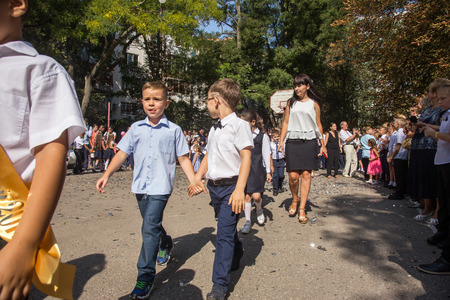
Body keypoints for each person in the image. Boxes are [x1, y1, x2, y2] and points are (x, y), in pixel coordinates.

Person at [0, 0, 86, 298]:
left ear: (16, 5)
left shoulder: (39, 70)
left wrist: (24, 244)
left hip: (6, 226)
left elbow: (52, 153)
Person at [95, 81, 203, 299]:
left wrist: (194, 180)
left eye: (156, 99)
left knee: (148, 228)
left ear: (166, 103)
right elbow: (122, 153)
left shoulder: (174, 130)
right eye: (147, 99)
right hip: (140, 186)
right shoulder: (136, 128)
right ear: (142, 101)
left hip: (161, 187)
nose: (151, 103)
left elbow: (183, 158)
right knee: (151, 226)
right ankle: (165, 242)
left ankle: (145, 277)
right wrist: (106, 174)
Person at [190, 78, 253, 300]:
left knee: (223, 234)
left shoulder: (240, 126)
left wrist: (239, 190)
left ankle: (219, 285)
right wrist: (197, 177)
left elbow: (246, 158)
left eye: (207, 100)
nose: (206, 105)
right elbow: (209, 154)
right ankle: (237, 252)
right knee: (226, 227)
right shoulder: (214, 128)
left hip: (231, 188)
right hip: (214, 188)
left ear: (216, 100)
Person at [278, 74, 326, 224]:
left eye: (300, 85)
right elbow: (285, 123)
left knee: (306, 174)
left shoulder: (314, 104)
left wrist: (323, 143)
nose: (297, 88)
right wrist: (281, 140)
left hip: (309, 141)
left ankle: (302, 208)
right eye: (295, 85)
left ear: (307, 86)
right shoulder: (290, 103)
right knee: (293, 176)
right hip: (292, 141)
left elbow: (318, 124)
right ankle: (294, 199)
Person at [418, 78, 450, 275]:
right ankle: (444, 236)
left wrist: (434, 134)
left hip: (447, 161)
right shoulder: (446, 114)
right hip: (442, 160)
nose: (440, 101)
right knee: (445, 204)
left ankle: (447, 258)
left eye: (444, 97)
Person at [239, 109, 272, 234]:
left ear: (252, 122)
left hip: (257, 169)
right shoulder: (240, 136)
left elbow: (265, 153)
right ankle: (247, 221)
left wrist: (268, 171)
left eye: (244, 123)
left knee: (256, 196)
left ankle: (259, 210)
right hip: (244, 170)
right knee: (247, 196)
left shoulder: (262, 136)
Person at [387, 118, 409, 200]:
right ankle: (400, 191)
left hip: (399, 156)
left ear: (399, 124)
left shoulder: (400, 133)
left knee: (400, 176)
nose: (394, 124)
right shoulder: (400, 133)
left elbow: (398, 146)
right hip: (400, 156)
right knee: (400, 175)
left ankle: (399, 193)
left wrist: (392, 156)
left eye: (395, 123)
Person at [270, 128, 285, 196]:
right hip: (274, 161)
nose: (276, 138)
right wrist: (271, 164)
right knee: (275, 176)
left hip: (281, 160)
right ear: (272, 137)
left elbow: (285, 152)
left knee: (281, 175)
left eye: (278, 136)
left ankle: (280, 185)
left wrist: (286, 160)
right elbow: (270, 153)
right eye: (275, 137)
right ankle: (275, 189)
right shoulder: (271, 144)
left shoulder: (282, 144)